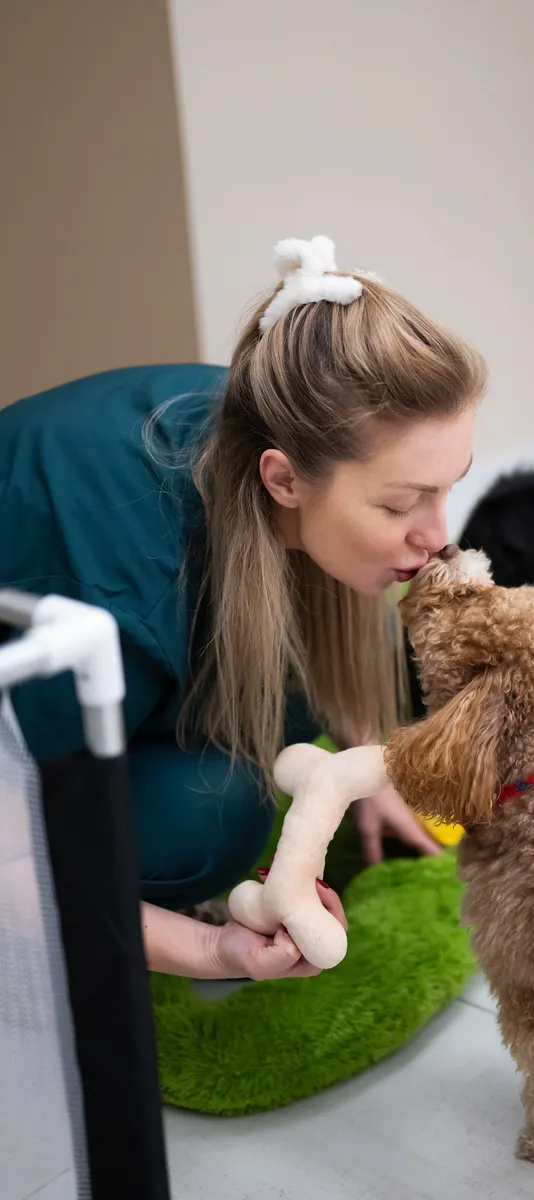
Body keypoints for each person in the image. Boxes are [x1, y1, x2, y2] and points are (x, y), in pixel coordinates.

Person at [0, 235, 485, 982]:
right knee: (210, 813)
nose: (438, 538)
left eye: (446, 487)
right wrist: (210, 949)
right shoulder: (114, 598)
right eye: (400, 504)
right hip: (54, 657)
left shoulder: (276, 412)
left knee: (300, 694)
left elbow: (322, 626)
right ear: (283, 480)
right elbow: (10, 853)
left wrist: (366, 767)